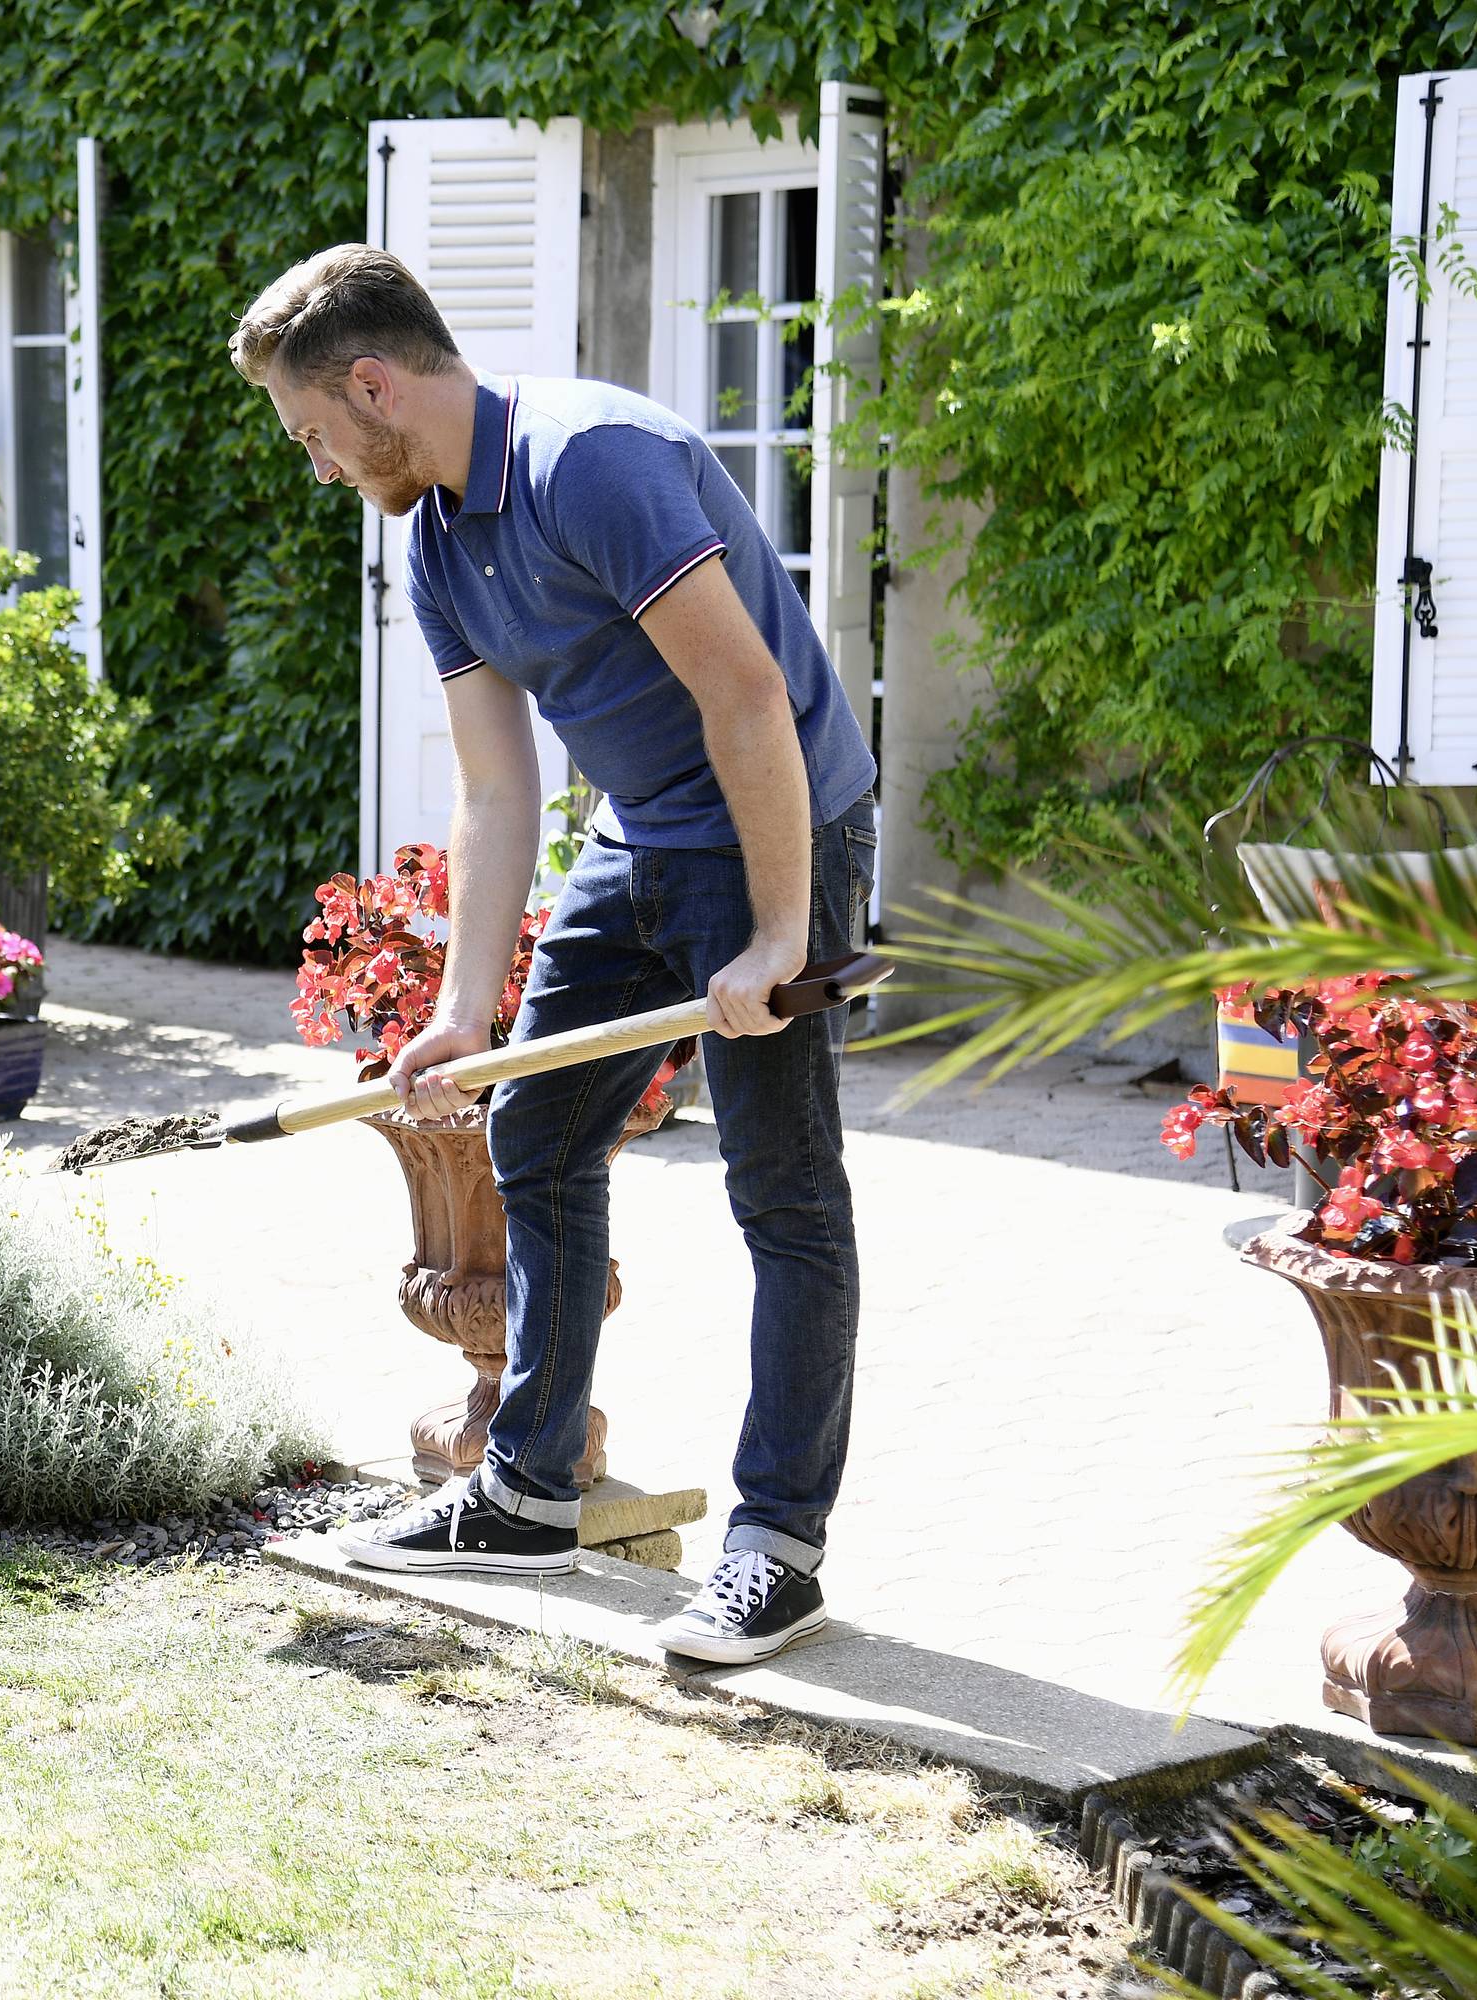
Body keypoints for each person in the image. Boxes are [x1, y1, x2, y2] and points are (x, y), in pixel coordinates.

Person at [229, 244, 877, 1666]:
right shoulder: (439, 537)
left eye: (314, 433)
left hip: (780, 826)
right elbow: (496, 788)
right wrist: (467, 1007)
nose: (320, 465)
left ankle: (778, 1545)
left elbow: (748, 695)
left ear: (373, 383)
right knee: (536, 1129)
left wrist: (777, 933)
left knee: (780, 1188)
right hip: (644, 833)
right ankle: (527, 1485)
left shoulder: (597, 463)